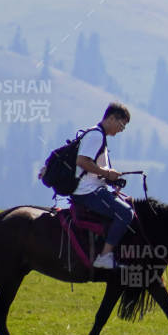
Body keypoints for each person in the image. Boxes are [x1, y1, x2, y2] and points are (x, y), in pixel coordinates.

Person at [74, 102, 134, 270]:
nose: (121, 130)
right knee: (126, 213)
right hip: (88, 192)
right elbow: (82, 161)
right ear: (112, 118)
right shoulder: (96, 136)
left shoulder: (97, 135)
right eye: (122, 125)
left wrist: (110, 178)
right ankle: (105, 256)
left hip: (93, 188)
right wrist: (107, 174)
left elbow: (91, 167)